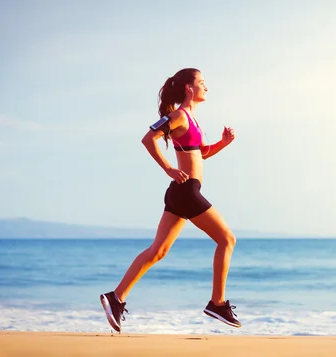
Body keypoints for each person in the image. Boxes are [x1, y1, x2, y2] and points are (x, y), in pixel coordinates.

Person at [100, 68, 241, 332]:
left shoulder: (192, 119)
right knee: (227, 239)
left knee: (158, 251)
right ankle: (217, 303)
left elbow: (199, 154)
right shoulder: (178, 116)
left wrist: (222, 143)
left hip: (182, 192)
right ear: (189, 88)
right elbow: (148, 138)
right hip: (186, 191)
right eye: (202, 83)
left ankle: (115, 298)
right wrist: (168, 168)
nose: (206, 87)